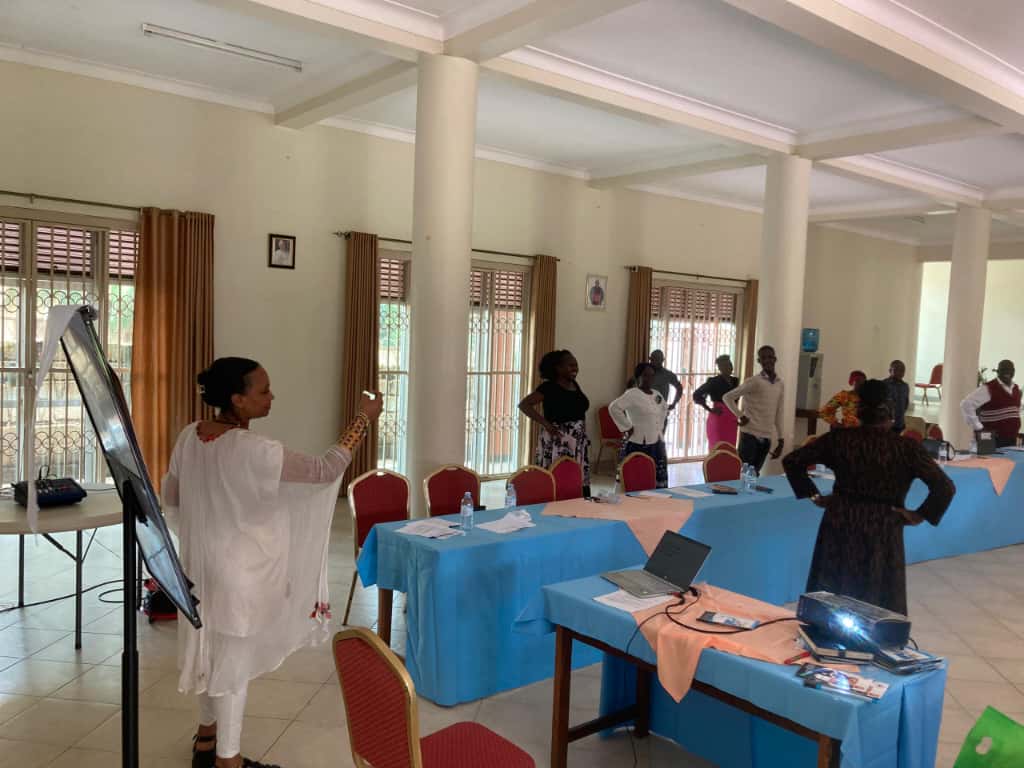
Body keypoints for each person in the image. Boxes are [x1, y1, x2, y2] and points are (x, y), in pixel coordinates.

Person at [162, 357, 383, 768]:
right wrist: (362, 420)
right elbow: (324, 470)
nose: (271, 397)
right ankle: (228, 760)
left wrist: (207, 531)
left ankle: (207, 740)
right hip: (239, 574)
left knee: (211, 653)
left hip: (197, 568)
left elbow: (171, 499)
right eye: (263, 391)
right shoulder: (256, 449)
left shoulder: (189, 436)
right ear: (237, 399)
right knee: (232, 666)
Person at [782, 380, 955, 614]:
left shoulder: (839, 440)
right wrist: (918, 515)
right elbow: (945, 487)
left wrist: (814, 495)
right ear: (890, 412)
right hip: (883, 525)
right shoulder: (906, 448)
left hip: (841, 519)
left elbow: (792, 461)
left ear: (857, 410)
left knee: (832, 590)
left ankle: (823, 632)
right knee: (878, 596)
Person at [518, 349, 591, 495]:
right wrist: (545, 423)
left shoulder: (574, 385)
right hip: (557, 439)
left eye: (576, 365)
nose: (575, 368)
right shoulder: (548, 387)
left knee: (576, 478)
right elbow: (524, 405)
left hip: (577, 441)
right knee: (557, 477)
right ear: (558, 368)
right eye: (570, 365)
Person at [722, 345, 785, 474]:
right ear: (759, 361)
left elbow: (779, 412)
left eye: (770, 357)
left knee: (755, 474)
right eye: (763, 358)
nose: (767, 360)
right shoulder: (754, 381)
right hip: (750, 436)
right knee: (743, 475)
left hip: (767, 437)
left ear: (775, 359)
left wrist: (781, 439)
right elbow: (727, 397)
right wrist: (741, 416)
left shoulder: (780, 384)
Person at [609, 362, 670, 488]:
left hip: (657, 443)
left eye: (652, 375)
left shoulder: (657, 394)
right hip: (638, 443)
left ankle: (656, 499)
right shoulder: (632, 394)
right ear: (638, 377)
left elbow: (664, 409)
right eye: (645, 375)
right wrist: (627, 427)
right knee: (637, 478)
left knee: (657, 478)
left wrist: (660, 428)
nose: (649, 378)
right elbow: (614, 408)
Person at [961, 360, 1021, 448]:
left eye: (1009, 370)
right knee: (987, 457)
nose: (1007, 372)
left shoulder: (1016, 389)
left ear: (1014, 372)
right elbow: (966, 404)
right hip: (989, 437)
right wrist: (978, 427)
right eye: (1003, 369)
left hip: (1010, 438)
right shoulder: (988, 388)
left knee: (1009, 457)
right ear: (998, 371)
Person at [693, 354, 740, 448]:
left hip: (732, 418)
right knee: (718, 446)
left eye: (730, 364)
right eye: (725, 365)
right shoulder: (713, 381)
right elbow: (696, 395)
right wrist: (710, 409)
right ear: (720, 368)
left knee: (730, 446)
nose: (729, 367)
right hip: (719, 417)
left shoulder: (735, 381)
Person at [885, 360, 910, 434]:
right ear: (890, 371)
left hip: (900, 423)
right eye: (896, 370)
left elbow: (906, 403)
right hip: (887, 425)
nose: (900, 373)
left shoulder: (905, 386)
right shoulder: (884, 385)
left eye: (902, 370)